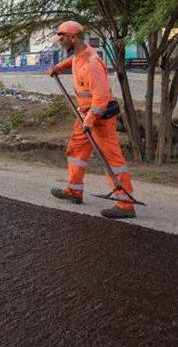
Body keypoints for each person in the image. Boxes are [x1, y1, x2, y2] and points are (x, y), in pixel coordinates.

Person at [47, 21, 136, 219]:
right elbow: (74, 61)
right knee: (76, 150)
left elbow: (102, 98)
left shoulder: (92, 64)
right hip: (85, 115)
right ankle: (74, 190)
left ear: (73, 38)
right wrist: (59, 67)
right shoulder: (81, 55)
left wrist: (91, 119)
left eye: (62, 39)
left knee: (111, 159)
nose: (60, 43)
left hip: (99, 117)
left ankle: (125, 203)